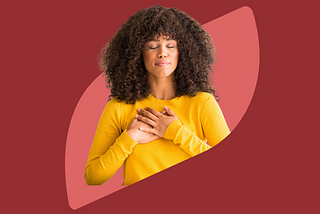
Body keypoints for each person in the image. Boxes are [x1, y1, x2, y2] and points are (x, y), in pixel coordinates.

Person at [85, 5, 230, 186]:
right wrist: (129, 138)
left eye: (170, 46)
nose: (162, 53)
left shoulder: (203, 103)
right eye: (153, 46)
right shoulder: (120, 107)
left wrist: (176, 132)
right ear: (137, 53)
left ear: (182, 52)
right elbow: (93, 177)